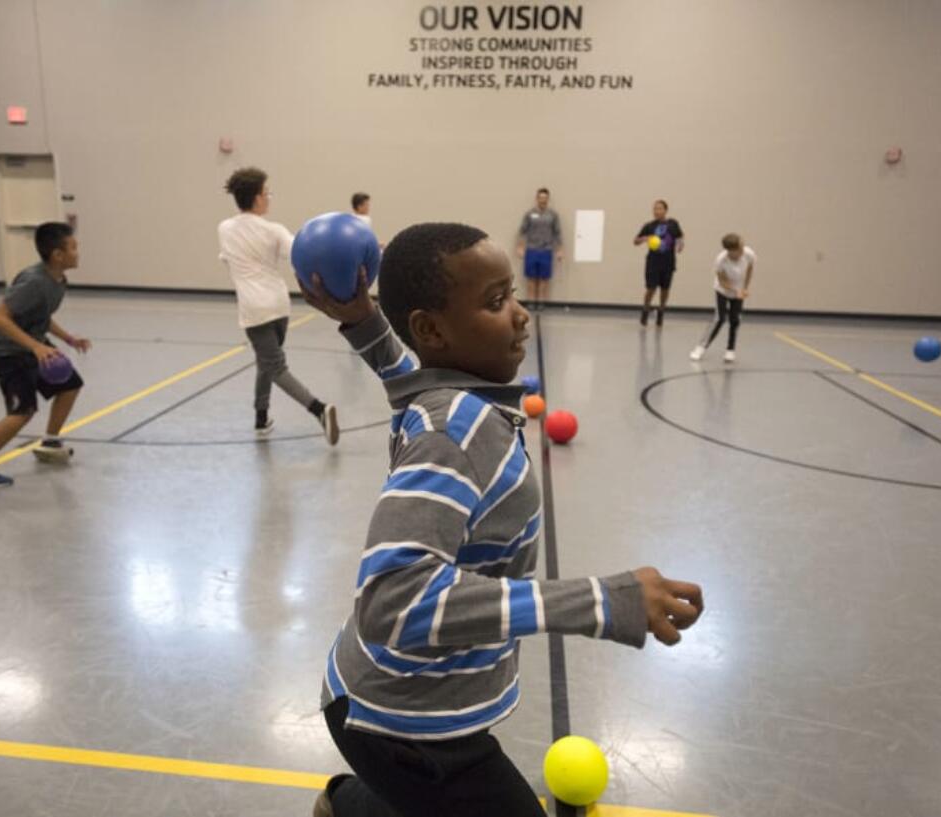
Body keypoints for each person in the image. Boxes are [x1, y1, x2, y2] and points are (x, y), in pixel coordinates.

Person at [302, 223, 704, 817]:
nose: (520, 315)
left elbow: (408, 378)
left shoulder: (454, 399)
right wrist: (600, 602)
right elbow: (395, 600)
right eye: (495, 303)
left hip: (399, 697)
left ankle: (347, 806)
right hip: (400, 724)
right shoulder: (454, 434)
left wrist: (364, 320)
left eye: (511, 294)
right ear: (431, 330)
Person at [0, 222, 90, 489]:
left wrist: (68, 338)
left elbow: (40, 314)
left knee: (71, 385)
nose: (78, 252)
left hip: (32, 345)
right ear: (57, 255)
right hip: (8, 351)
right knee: (22, 411)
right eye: (73, 247)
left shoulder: (58, 279)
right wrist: (36, 347)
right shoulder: (34, 281)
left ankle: (51, 441)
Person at [217, 167, 338, 442]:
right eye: (266, 192)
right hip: (279, 307)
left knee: (273, 366)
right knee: (267, 362)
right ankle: (261, 418)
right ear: (257, 198)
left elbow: (227, 257)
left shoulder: (224, 229)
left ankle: (319, 409)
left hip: (254, 310)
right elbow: (301, 255)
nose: (269, 197)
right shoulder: (275, 231)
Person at [690, 233, 755, 363]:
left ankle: (730, 350)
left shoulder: (748, 254)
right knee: (719, 319)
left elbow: (750, 268)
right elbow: (722, 281)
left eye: (742, 247)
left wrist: (745, 288)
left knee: (735, 319)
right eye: (739, 249)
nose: (742, 250)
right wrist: (735, 291)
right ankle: (701, 347)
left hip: (739, 290)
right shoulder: (721, 260)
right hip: (723, 290)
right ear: (731, 251)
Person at [633, 199, 684, 327]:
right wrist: (645, 238)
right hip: (653, 262)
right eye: (655, 209)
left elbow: (680, 236)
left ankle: (661, 312)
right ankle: (645, 310)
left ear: (665, 210)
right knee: (651, 288)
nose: (657, 211)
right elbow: (635, 241)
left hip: (668, 262)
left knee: (665, 289)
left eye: (660, 208)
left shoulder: (673, 224)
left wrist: (680, 244)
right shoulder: (649, 226)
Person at [514, 187, 563, 307]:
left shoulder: (553, 215)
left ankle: (541, 303)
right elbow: (522, 231)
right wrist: (520, 247)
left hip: (546, 250)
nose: (543, 200)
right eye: (540, 198)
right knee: (531, 279)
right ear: (537, 198)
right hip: (531, 250)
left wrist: (560, 250)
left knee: (543, 279)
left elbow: (557, 233)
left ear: (548, 199)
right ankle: (531, 302)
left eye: (545, 198)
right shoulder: (530, 214)